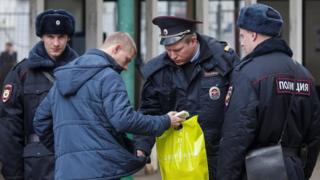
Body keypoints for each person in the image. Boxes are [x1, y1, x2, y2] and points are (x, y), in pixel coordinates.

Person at [33, 32, 183, 180]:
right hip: (101, 170)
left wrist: (66, 152)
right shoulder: (109, 76)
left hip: (66, 172)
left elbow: (40, 122)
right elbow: (123, 120)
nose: (126, 68)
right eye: (126, 60)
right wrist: (165, 121)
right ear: (116, 49)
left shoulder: (62, 79)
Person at [217, 3, 320, 180]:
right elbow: (314, 138)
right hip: (293, 170)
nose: (241, 42)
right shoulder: (305, 76)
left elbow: (236, 136)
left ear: (253, 35)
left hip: (254, 170)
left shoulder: (248, 74)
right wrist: (301, 172)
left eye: (242, 36)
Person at [134, 16, 239, 179]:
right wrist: (141, 148)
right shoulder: (158, 71)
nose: (172, 55)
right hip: (181, 156)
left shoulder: (223, 59)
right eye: (167, 50)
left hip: (220, 155)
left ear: (193, 40)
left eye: (177, 50)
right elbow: (149, 111)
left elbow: (241, 104)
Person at [0, 9, 78, 180]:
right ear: (42, 37)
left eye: (61, 37)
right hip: (36, 167)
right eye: (50, 36)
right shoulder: (21, 73)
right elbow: (9, 129)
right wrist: (13, 175)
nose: (56, 43)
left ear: (68, 38)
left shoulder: (81, 72)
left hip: (75, 161)